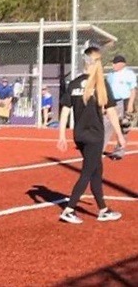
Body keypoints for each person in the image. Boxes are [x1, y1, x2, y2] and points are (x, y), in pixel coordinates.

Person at [57, 47, 126, 224]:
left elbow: (65, 111)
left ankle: (103, 209)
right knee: (88, 172)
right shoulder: (101, 84)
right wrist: (120, 135)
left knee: (96, 170)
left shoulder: (74, 84)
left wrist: (62, 135)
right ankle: (69, 209)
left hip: (79, 135)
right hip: (94, 135)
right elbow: (111, 112)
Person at [104, 55, 136, 151]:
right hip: (111, 102)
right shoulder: (110, 75)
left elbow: (133, 90)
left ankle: (119, 150)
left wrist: (130, 104)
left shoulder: (129, 74)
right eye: (113, 63)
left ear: (122, 64)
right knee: (106, 124)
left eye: (115, 63)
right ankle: (100, 148)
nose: (113, 65)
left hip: (124, 101)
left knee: (124, 126)